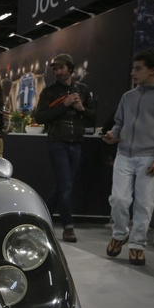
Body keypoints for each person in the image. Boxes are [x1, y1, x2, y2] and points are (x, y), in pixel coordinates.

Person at [103, 48, 154, 266]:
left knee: (144, 204)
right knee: (118, 199)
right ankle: (120, 234)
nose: (133, 73)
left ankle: (137, 245)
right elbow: (119, 123)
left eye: (138, 69)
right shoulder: (128, 96)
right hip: (124, 155)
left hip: (151, 158)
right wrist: (113, 135)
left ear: (153, 70)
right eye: (133, 68)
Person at [34, 53, 96, 243]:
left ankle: (42, 216)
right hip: (57, 141)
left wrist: (81, 109)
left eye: (61, 67)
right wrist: (64, 105)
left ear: (70, 69)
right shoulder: (49, 92)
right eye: (55, 69)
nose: (57, 72)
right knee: (66, 185)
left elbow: (93, 118)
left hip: (76, 142)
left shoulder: (83, 90)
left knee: (63, 185)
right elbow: (40, 117)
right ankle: (68, 227)